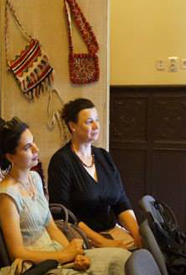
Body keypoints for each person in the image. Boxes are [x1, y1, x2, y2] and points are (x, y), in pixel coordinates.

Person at [0, 118, 130, 275]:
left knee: (121, 258)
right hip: (40, 268)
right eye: (27, 147)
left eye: (34, 142)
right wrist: (64, 256)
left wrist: (74, 253)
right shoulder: (6, 196)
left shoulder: (34, 178)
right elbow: (17, 252)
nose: (36, 149)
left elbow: (51, 226)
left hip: (57, 254)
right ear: (10, 156)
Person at [48, 98, 142, 249]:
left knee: (148, 252)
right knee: (125, 259)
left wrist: (138, 234)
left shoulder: (104, 156)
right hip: (82, 237)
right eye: (89, 122)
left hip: (112, 231)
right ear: (73, 126)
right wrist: (103, 242)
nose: (96, 126)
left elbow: (121, 202)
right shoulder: (61, 161)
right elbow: (62, 214)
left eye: (97, 120)